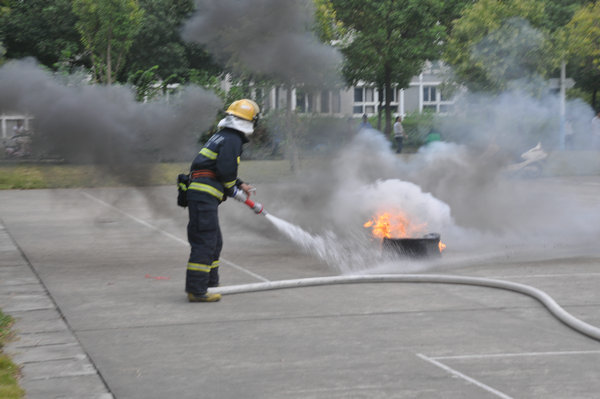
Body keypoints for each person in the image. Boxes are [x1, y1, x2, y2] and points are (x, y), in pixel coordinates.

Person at [184, 99, 260, 302]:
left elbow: (218, 167)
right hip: (203, 195)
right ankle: (197, 290)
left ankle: (209, 284)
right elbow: (225, 170)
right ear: (250, 121)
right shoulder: (233, 139)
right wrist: (232, 189)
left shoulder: (222, 136)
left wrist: (239, 184)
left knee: (213, 241)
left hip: (201, 194)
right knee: (206, 241)